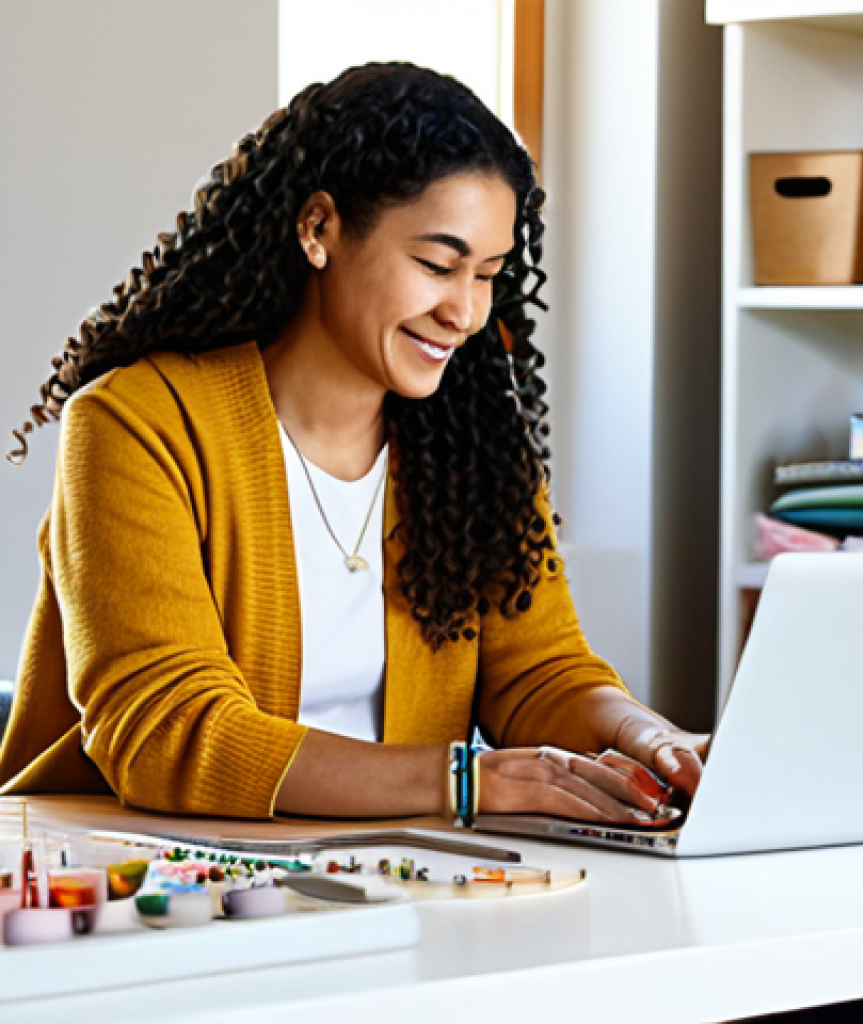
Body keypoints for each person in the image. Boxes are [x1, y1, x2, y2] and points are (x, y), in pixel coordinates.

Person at [0, 63, 707, 824]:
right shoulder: (137, 422)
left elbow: (540, 673)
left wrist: (650, 738)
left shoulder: (472, 445)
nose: (464, 312)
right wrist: (465, 781)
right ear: (319, 229)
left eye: (488, 275)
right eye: (436, 265)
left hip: (395, 878)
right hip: (143, 882)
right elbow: (170, 730)